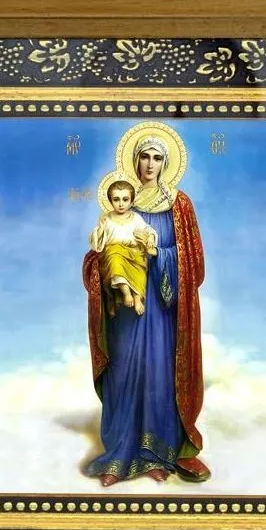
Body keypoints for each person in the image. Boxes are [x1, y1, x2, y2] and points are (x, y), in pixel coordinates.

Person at [82, 124, 211, 486]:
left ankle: (160, 453)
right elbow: (98, 251)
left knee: (159, 373)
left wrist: (158, 253)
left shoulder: (179, 204)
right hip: (126, 308)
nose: (150, 164)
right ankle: (120, 454)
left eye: (157, 158)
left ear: (165, 163)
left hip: (163, 304)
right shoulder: (120, 200)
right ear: (135, 161)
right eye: (144, 157)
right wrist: (104, 264)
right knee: (123, 372)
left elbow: (194, 262)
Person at [89, 176, 157, 317]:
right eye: (116, 199)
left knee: (140, 268)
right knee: (115, 261)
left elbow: (147, 229)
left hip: (134, 253)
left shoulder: (135, 218)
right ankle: (126, 294)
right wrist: (101, 229)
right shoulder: (107, 219)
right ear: (110, 201)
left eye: (125, 199)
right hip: (114, 252)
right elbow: (97, 242)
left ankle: (137, 298)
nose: (121, 204)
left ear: (131, 201)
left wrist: (150, 237)